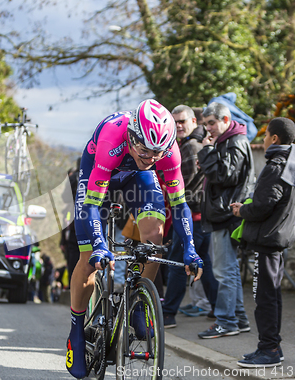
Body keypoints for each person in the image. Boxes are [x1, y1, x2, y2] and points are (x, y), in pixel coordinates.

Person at [66, 99, 203, 378]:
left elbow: (179, 206)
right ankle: (76, 330)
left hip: (138, 179)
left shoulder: (167, 152)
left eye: (157, 152)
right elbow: (92, 205)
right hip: (99, 172)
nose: (151, 157)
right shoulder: (112, 139)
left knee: (154, 237)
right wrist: (100, 244)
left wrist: (190, 247)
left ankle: (139, 303)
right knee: (89, 257)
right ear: (131, 136)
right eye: (145, 150)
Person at [231, 117, 295, 367]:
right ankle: (270, 346)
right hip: (276, 239)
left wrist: (241, 210)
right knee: (271, 295)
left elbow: (264, 205)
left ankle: (269, 351)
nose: (263, 140)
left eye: (266, 135)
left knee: (264, 297)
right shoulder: (291, 163)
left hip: (267, 241)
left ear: (274, 138)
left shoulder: (276, 165)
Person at [197, 102, 254, 339]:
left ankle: (226, 321)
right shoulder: (227, 141)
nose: (208, 128)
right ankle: (238, 319)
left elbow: (224, 175)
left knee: (224, 271)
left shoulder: (236, 142)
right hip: (224, 213)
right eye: (206, 124)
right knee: (226, 269)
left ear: (226, 120)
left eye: (212, 123)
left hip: (227, 215)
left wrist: (207, 153)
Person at [162, 105, 219, 328]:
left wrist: (168, 189)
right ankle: (218, 307)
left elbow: (185, 186)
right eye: (175, 122)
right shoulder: (193, 144)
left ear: (194, 121)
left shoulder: (191, 147)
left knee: (177, 263)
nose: (178, 126)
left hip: (191, 216)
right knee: (203, 262)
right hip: (200, 216)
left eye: (182, 121)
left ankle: (168, 314)